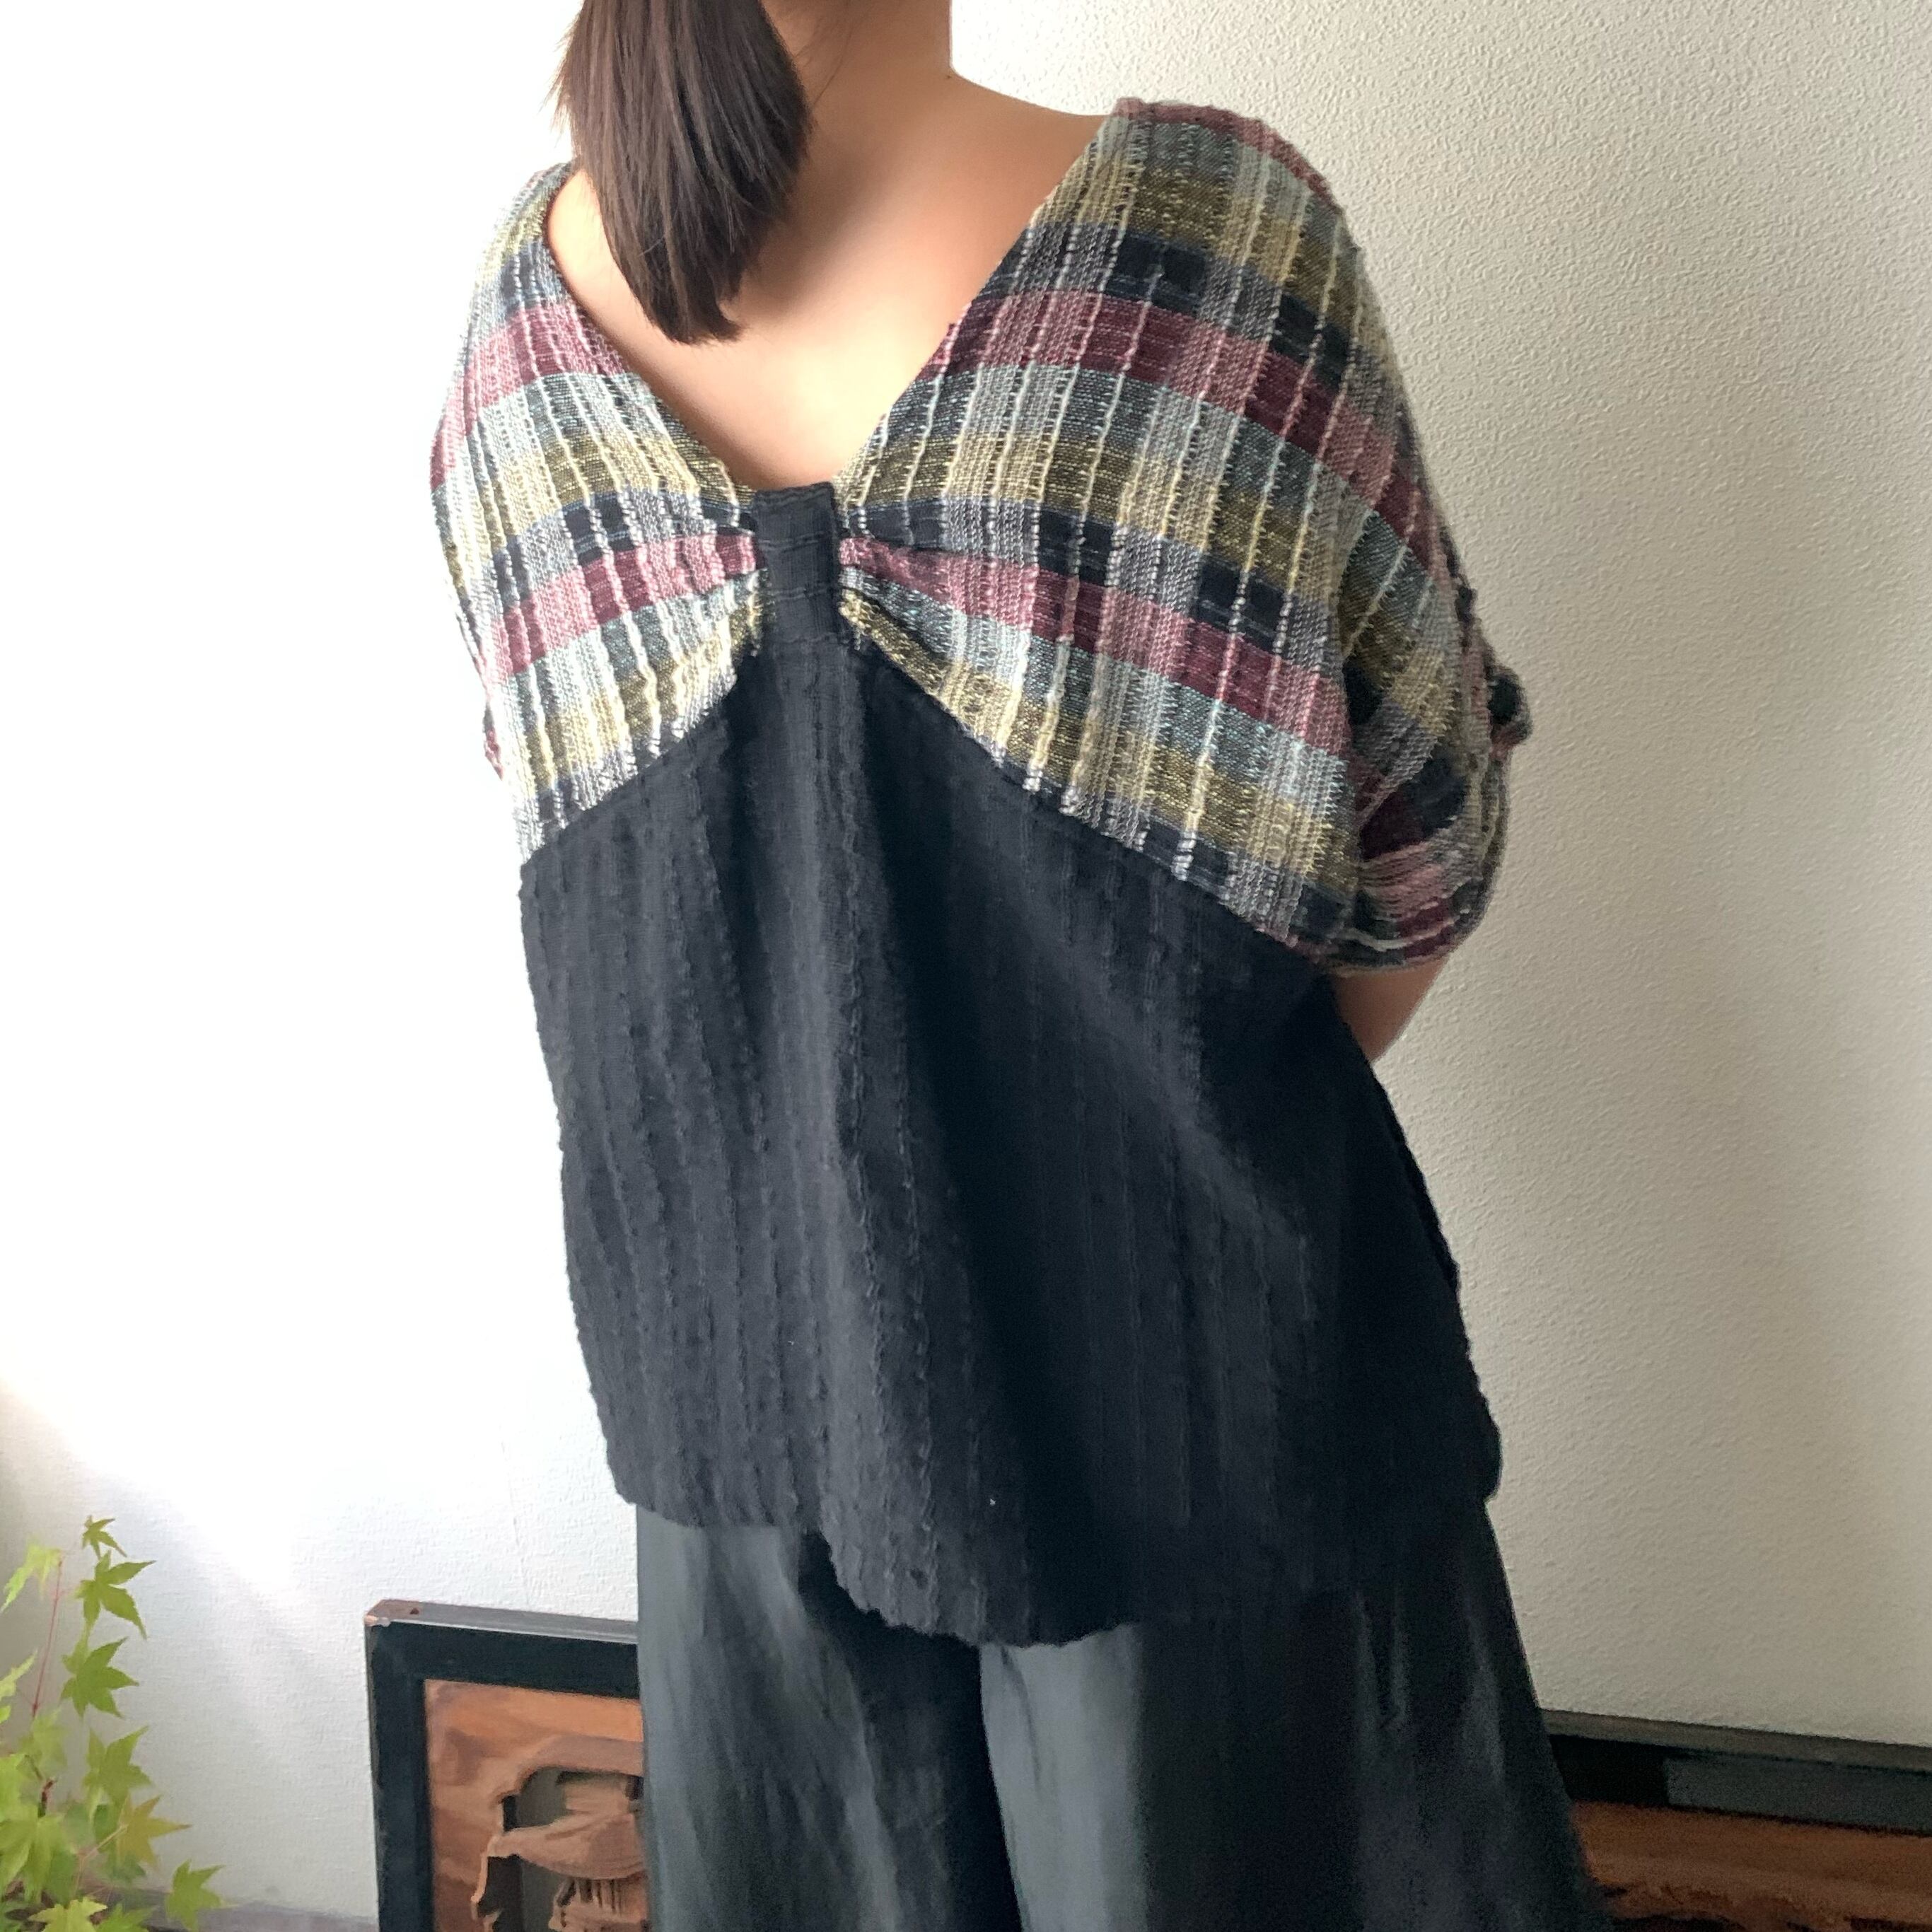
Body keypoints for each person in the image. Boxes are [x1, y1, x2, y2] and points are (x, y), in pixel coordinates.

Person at [429, 1, 1613, 1925]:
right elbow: (1413, 850)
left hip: (746, 1447)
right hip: (1207, 1420)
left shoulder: (513, 335)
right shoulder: (1215, 242)